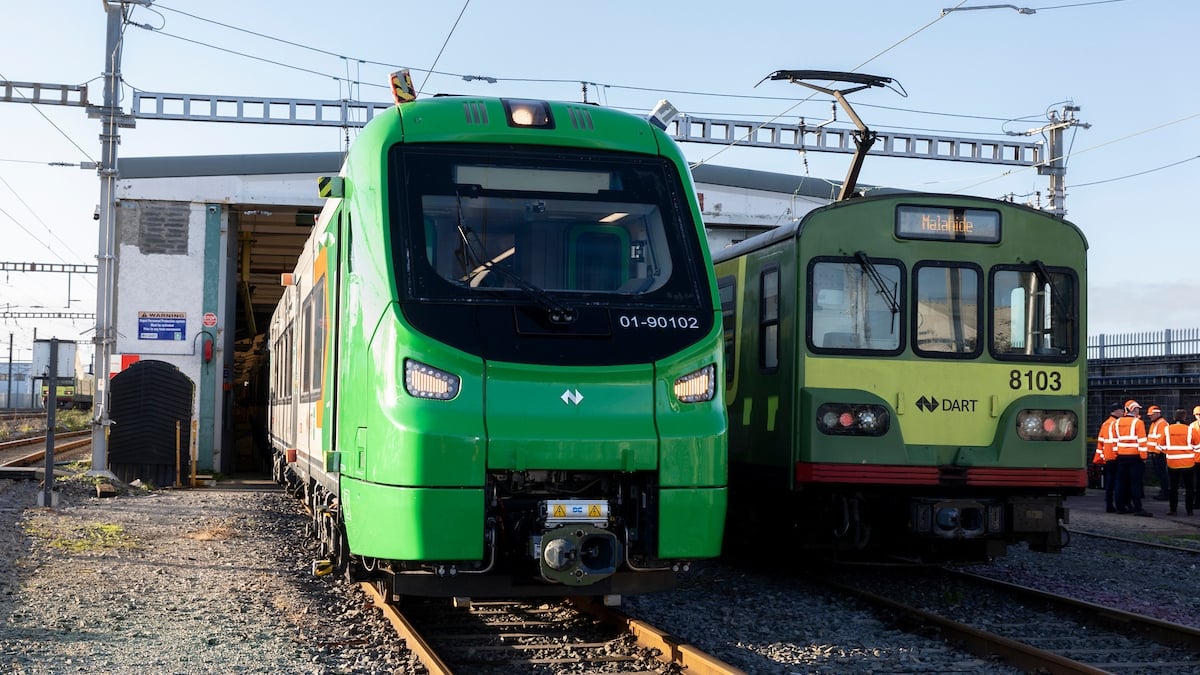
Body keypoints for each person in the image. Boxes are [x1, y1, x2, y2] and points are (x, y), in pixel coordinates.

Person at [1113, 399, 1151, 516]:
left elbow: (1115, 441)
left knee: (1121, 482)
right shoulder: (1138, 423)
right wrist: (1144, 457)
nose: (1139, 410)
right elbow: (1142, 442)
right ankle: (1138, 508)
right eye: (1137, 408)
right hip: (1135, 457)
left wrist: (1116, 454)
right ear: (1133, 409)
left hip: (1121, 456)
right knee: (1135, 483)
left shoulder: (1117, 422)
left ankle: (1120, 507)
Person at [1162, 408, 1198, 516]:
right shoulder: (1190, 429)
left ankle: (1173, 510)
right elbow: (1198, 445)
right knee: (1189, 488)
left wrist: (1168, 451)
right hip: (1188, 463)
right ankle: (1189, 510)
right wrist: (1191, 451)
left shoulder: (1167, 429)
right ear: (1184, 417)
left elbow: (1159, 445)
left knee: (1173, 488)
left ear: (1174, 417)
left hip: (1173, 463)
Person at [1093, 401, 1123, 513]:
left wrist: (1100, 458)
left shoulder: (1105, 424)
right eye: (1121, 410)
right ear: (1115, 411)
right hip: (1117, 456)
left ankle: (1109, 505)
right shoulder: (1117, 424)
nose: (1123, 412)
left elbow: (1100, 442)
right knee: (1118, 482)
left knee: (1109, 483)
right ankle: (1119, 505)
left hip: (1107, 458)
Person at [1145, 405, 1171, 500]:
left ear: (1157, 413)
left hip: (1159, 453)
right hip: (1155, 453)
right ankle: (1163, 492)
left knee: (1162, 474)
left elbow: (1161, 439)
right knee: (1160, 474)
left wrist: (1156, 452)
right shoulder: (1155, 423)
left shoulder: (1162, 423)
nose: (1150, 416)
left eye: (1151, 415)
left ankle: (1165, 493)